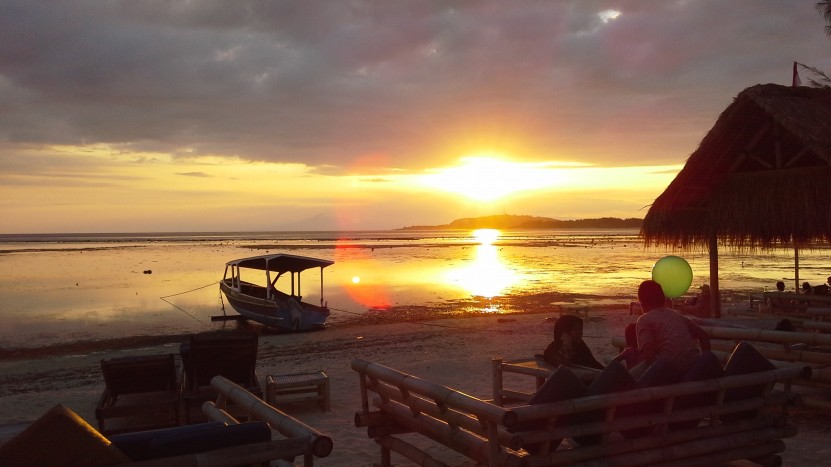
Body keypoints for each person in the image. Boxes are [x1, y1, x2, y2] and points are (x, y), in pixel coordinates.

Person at [631, 280, 711, 384]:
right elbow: (703, 335)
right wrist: (704, 363)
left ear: (642, 303)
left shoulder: (644, 319)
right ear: (663, 298)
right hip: (693, 366)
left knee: (629, 377)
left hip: (667, 369)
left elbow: (648, 355)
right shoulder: (676, 315)